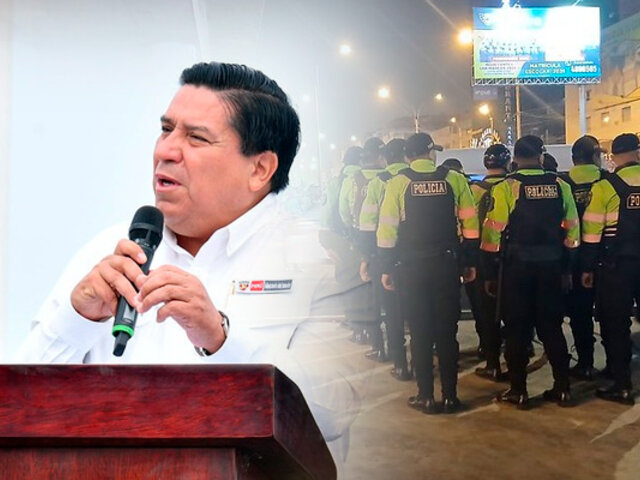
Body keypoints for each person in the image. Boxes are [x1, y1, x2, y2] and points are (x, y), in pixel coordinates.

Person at [16, 61, 358, 464]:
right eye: (166, 130)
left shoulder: (321, 258)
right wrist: (77, 320)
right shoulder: (108, 251)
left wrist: (222, 340)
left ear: (260, 168)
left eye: (196, 138)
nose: (165, 151)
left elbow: (333, 412)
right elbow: (19, 406)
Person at [377, 132, 478, 414]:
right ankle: (451, 396)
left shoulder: (398, 183)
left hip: (412, 269)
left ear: (408, 156)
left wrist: (386, 267)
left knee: (420, 332)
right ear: (430, 153)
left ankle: (426, 396)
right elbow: (470, 225)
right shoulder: (454, 179)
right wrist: (469, 261)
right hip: (446, 266)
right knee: (447, 332)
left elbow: (387, 230)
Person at [481, 135, 579, 409]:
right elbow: (572, 230)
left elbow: (492, 234)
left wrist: (490, 272)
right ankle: (563, 388)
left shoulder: (506, 187)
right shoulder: (560, 184)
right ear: (541, 156)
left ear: (515, 159)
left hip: (517, 269)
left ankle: (519, 391)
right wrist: (567, 268)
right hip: (552, 266)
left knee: (516, 329)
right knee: (552, 327)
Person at [581, 132, 640, 405]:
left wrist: (587, 268)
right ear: (637, 152)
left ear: (613, 157)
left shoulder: (606, 187)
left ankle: (621, 383)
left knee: (615, 323)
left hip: (617, 266)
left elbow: (592, 232)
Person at [359, 138, 411, 379]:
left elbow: (367, 225)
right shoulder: (413, 180)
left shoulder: (378, 183)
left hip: (385, 255)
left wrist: (368, 257)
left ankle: (400, 364)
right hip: (415, 256)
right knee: (419, 311)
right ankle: (422, 359)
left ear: (385, 158)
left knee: (392, 312)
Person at [558, 135, 606, 380]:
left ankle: (585, 362)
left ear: (574, 158)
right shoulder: (609, 181)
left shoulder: (562, 182)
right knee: (611, 314)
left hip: (573, 259)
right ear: (596, 156)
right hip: (607, 258)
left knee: (580, 314)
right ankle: (615, 366)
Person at [470, 144, 512, 382]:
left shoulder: (473, 190)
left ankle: (492, 362)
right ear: (507, 162)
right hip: (512, 260)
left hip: (481, 259)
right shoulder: (512, 186)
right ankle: (520, 354)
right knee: (515, 312)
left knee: (485, 314)